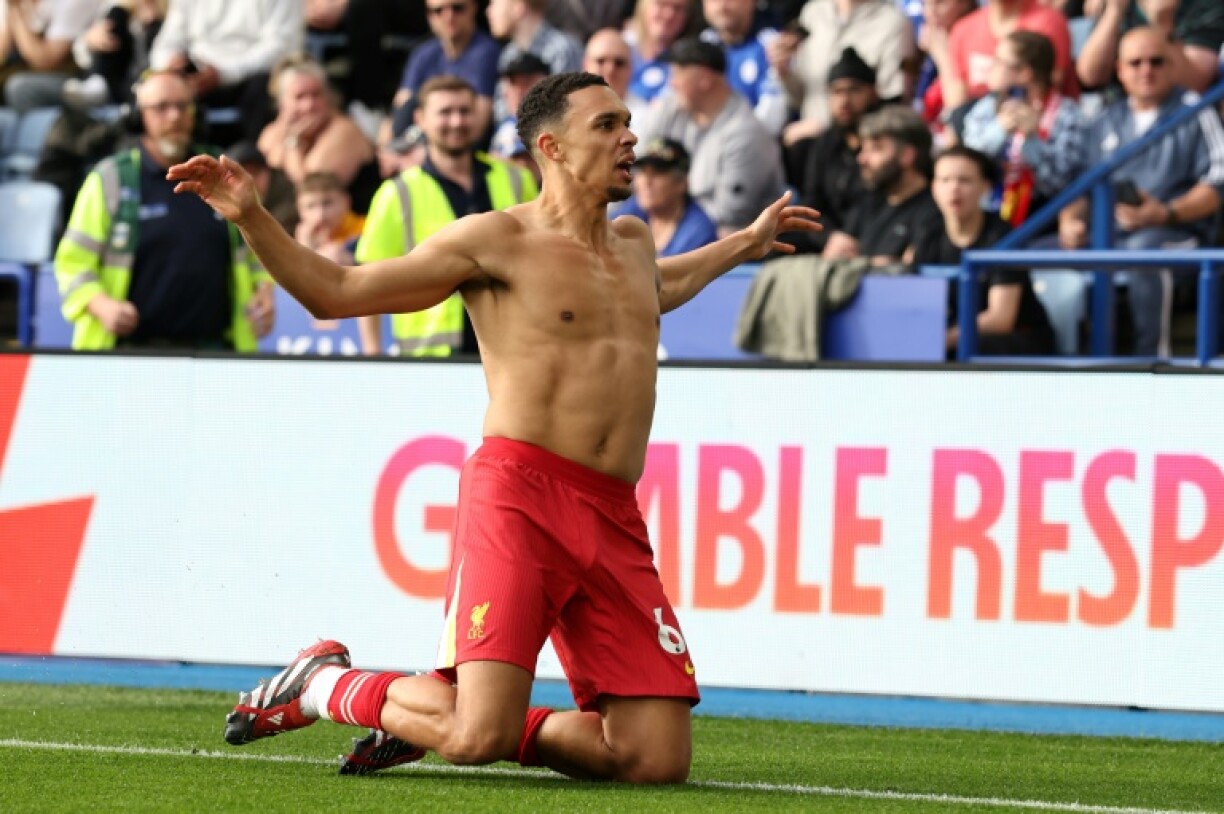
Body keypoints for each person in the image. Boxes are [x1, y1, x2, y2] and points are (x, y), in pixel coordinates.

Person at [168, 70, 819, 783]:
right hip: (522, 497)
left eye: (628, 121)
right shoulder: (495, 240)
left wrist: (744, 243)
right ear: (554, 148)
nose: (630, 135)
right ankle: (322, 684)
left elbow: (664, 284)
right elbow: (337, 291)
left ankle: (437, 710)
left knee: (653, 759)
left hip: (613, 514)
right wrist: (254, 216)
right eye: (607, 126)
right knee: (477, 736)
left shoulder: (633, 243)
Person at [54, 70, 274, 351]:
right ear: (138, 115)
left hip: (216, 353)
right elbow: (71, 263)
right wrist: (101, 304)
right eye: (161, 107)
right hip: (128, 353)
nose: (174, 116)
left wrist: (265, 292)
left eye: (183, 106)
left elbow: (259, 250)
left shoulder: (223, 175)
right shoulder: (110, 179)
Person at [1057, 27, 1224, 357]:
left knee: (1144, 250)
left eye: (1156, 61)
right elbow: (1079, 186)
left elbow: (1218, 182)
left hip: (1179, 234)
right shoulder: (1105, 119)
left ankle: (1153, 361)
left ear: (1172, 65)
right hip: (1109, 234)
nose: (1146, 71)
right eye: (1135, 63)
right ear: (1119, 70)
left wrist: (1166, 213)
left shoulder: (1196, 110)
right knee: (1040, 252)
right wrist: (1070, 223)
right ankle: (1062, 359)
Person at [355, 75, 539, 357]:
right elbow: (366, 280)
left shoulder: (517, 179)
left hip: (512, 351)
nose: (456, 122)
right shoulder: (396, 193)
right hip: (431, 359)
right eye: (445, 112)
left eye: (464, 111)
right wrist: (372, 352)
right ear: (421, 119)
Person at [912, 145, 1055, 355]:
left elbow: (1000, 320)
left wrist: (941, 340)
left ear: (985, 187)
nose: (954, 189)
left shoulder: (1004, 237)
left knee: (969, 347)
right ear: (934, 187)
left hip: (1014, 342)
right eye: (945, 180)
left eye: (964, 180)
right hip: (953, 336)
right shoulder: (927, 233)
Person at [638, 37, 787, 234]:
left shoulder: (746, 133)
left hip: (729, 242)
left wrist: (668, 195)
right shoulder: (671, 109)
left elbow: (731, 215)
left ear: (705, 79)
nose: (672, 83)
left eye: (678, 73)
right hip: (668, 220)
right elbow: (636, 167)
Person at [962, 30, 1086, 227]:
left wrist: (1032, 141)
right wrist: (999, 130)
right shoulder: (985, 108)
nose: (990, 67)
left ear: (1024, 73)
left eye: (998, 61)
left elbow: (1060, 184)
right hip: (985, 218)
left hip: (1042, 221)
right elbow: (965, 167)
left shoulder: (1067, 114)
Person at [148, 0, 303, 143]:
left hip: (253, 78)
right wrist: (171, 66)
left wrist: (223, 73)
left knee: (264, 88)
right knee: (156, 89)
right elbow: (166, 43)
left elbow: (281, 48)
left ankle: (256, 164)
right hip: (198, 75)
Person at [767, 0, 914, 147]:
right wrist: (784, 72)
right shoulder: (813, 12)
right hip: (812, 147)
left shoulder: (892, 22)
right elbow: (801, 98)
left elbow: (893, 107)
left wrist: (826, 128)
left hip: (860, 149)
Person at [823, 105, 939, 265]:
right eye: (863, 149)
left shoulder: (934, 210)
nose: (862, 159)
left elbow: (908, 274)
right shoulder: (867, 202)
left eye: (876, 149)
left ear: (907, 155)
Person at [791, 46, 879, 253]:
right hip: (829, 241)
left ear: (873, 93)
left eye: (854, 90)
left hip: (875, 239)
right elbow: (811, 202)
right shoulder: (824, 145)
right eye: (837, 92)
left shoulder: (887, 141)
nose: (844, 101)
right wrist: (829, 237)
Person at [257, 56, 376, 205]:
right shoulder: (272, 132)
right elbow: (262, 185)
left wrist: (293, 144)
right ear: (281, 103)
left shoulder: (344, 130)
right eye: (299, 97)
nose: (309, 105)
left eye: (316, 94)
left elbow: (311, 194)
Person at [389, 0, 501, 143]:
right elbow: (399, 110)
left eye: (457, 8)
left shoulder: (487, 53)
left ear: (473, 8)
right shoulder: (423, 53)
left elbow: (477, 125)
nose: (448, 16)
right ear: (428, 15)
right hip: (417, 144)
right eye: (438, 10)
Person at [940, 0, 1076, 115]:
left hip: (1037, 128)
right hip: (980, 130)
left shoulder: (1049, 22)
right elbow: (956, 106)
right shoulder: (963, 30)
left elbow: (1049, 86)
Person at [1077, 0, 1223, 93]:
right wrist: (1114, 12)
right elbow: (1090, 76)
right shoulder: (1122, 6)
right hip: (1120, 117)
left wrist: (1162, 24)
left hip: (1182, 119)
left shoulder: (1207, 4)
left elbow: (1194, 84)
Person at [614, 136, 718, 256]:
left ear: (682, 183)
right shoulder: (633, 209)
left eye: (657, 173)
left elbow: (671, 272)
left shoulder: (699, 231)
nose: (646, 182)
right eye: (642, 172)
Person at [699, 0, 788, 136]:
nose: (722, 5)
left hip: (750, 144)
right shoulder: (702, 45)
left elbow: (771, 121)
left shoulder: (772, 45)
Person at [0, 0, 97, 112]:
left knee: (20, 87)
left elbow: (45, 61)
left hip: (75, 80)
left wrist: (16, 14)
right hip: (30, 74)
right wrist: (12, 10)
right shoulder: (13, 3)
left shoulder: (72, 3)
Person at [624, 0, 696, 107]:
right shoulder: (614, 51)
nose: (669, 14)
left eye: (678, 8)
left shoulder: (692, 62)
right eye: (661, 4)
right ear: (644, 6)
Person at [294, 170, 365, 266]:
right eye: (310, 206)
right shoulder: (302, 238)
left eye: (327, 203)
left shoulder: (367, 229)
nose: (320, 214)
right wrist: (305, 249)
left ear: (346, 202)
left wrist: (354, 261)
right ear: (300, 210)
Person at [583, 27, 648, 131]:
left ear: (631, 69)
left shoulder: (646, 118)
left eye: (619, 63)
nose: (610, 70)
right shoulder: (567, 112)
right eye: (601, 61)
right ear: (585, 65)